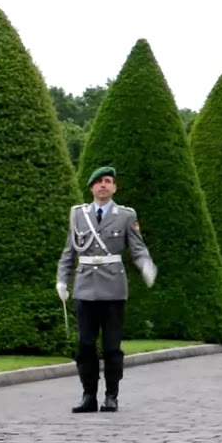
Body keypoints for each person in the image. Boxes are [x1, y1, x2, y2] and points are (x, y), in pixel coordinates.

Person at [57, 166, 158, 414]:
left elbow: (137, 247)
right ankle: (88, 394)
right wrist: (62, 280)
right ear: (91, 187)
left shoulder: (125, 215)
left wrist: (145, 264)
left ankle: (111, 395)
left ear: (114, 187)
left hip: (113, 287)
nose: (103, 185)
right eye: (98, 182)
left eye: (108, 181)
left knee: (112, 346)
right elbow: (69, 252)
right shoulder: (78, 215)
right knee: (85, 345)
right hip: (85, 287)